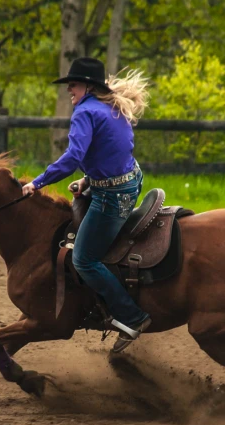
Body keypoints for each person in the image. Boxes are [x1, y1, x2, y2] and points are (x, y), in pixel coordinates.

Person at [20, 57, 151, 352]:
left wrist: (37, 182)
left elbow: (74, 156)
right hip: (130, 180)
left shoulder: (84, 112)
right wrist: (88, 180)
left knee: (84, 259)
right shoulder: (112, 108)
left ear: (89, 86)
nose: (70, 90)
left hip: (113, 195)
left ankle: (131, 316)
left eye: (74, 84)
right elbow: (111, 151)